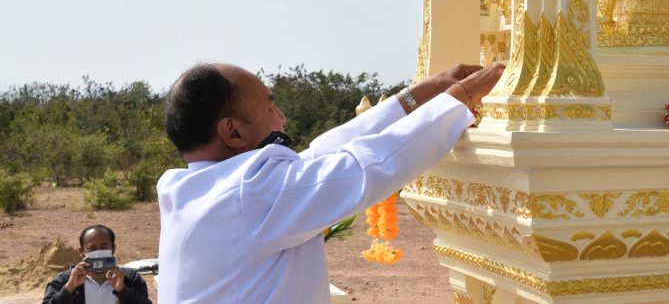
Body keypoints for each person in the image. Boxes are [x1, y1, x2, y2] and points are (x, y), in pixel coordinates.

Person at [157, 60, 504, 303]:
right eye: (269, 107)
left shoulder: (207, 189)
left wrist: (414, 97)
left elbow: (320, 157)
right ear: (233, 131)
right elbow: (365, 167)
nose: (282, 117)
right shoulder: (250, 194)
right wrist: (461, 100)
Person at [42, 225, 151, 304]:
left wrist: (123, 290)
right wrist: (69, 288)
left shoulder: (129, 278)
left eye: (104, 247)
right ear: (81, 251)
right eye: (92, 248)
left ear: (113, 248)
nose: (98, 252)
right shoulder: (65, 279)